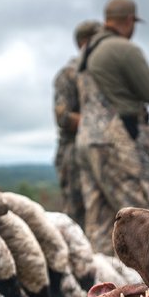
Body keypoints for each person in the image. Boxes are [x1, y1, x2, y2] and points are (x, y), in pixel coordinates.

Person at [76, 0, 149, 255]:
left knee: (101, 222)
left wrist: (148, 71)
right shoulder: (125, 49)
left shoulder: (89, 50)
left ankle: (106, 288)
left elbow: (110, 80)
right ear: (129, 20)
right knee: (144, 220)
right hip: (118, 142)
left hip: (87, 142)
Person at [53, 20, 101, 229]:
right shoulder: (68, 74)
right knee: (77, 217)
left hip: (99, 150)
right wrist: (99, 123)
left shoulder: (100, 73)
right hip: (73, 154)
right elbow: (63, 117)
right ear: (85, 42)